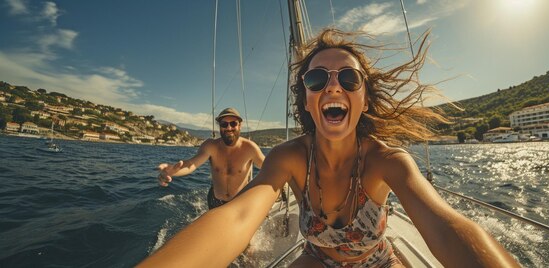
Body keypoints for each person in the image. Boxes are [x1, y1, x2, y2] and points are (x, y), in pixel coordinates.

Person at [140, 29, 520, 267]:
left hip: (378, 262)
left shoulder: (389, 162)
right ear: (306, 100)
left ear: (364, 99)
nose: (333, 87)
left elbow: (446, 226)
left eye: (349, 78)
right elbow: (237, 217)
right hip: (316, 259)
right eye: (318, 78)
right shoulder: (288, 157)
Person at [156, 107, 265, 209]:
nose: (229, 128)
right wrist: (172, 171)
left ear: (240, 125)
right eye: (224, 124)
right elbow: (191, 164)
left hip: (239, 202)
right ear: (220, 126)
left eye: (233, 123)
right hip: (215, 200)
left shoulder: (250, 148)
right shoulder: (210, 146)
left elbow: (269, 167)